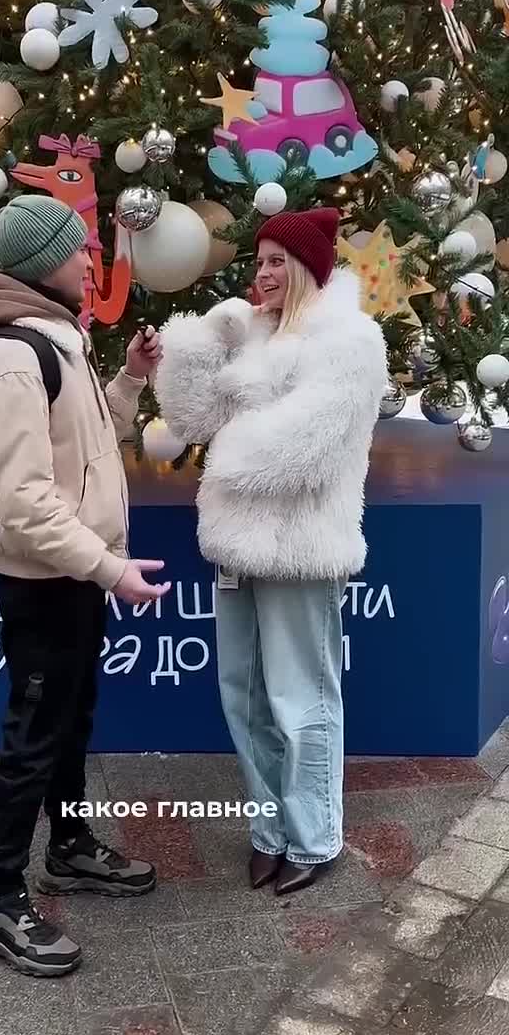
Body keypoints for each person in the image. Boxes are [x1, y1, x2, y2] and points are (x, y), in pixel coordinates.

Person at [0, 193, 168, 976]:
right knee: (34, 736)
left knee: (69, 720)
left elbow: (85, 445)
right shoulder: (12, 358)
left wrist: (131, 381)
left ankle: (70, 845)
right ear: (46, 257)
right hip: (46, 582)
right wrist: (109, 568)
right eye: (80, 248)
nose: (91, 260)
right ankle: (0, 899)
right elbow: (22, 502)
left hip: (74, 575)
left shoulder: (57, 338)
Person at [156, 208, 387, 896]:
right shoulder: (254, 335)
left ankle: (314, 838)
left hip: (300, 547)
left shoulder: (351, 340)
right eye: (259, 261)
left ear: (309, 267)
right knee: (245, 694)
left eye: (278, 260)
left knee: (301, 696)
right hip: (236, 545)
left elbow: (307, 446)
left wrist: (228, 448)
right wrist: (205, 337)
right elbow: (190, 420)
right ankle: (269, 831)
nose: (263, 273)